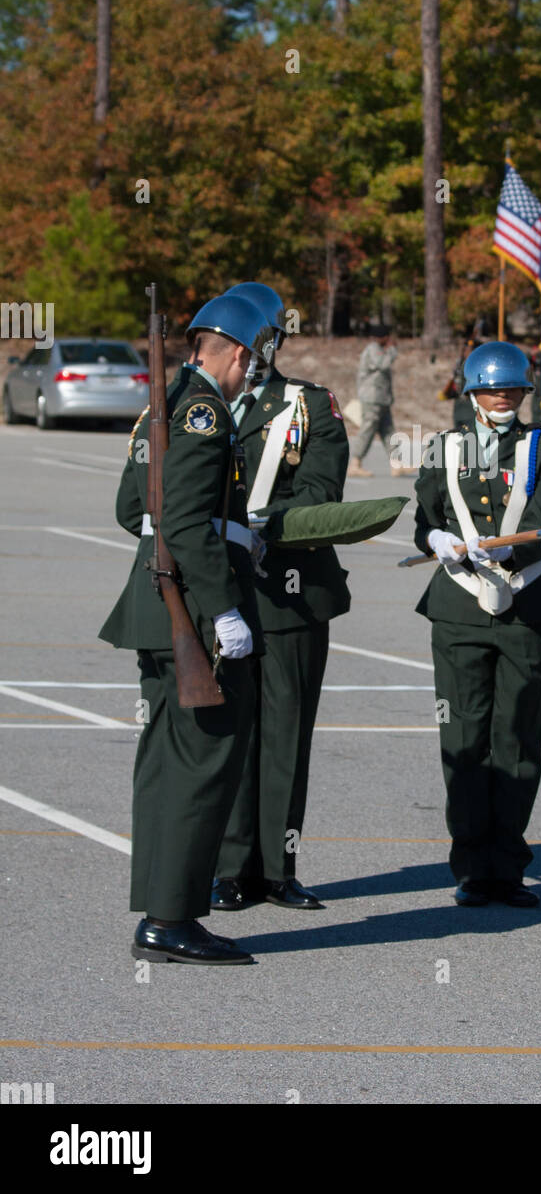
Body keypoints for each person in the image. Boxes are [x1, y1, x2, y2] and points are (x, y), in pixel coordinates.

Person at [99, 294, 276, 965]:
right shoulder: (204, 412)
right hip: (194, 614)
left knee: (167, 766)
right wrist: (223, 603)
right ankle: (171, 918)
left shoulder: (161, 407)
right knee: (201, 768)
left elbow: (132, 509)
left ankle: (161, 910)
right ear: (236, 351)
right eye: (252, 361)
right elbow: (182, 521)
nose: (250, 374)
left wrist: (230, 537)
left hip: (158, 602)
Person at [413, 341, 541, 907]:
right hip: (458, 605)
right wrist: (436, 540)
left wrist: (503, 554)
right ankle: (470, 865)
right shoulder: (442, 447)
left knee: (516, 735)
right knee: (463, 734)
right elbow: (425, 519)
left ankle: (506, 865)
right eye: (491, 389)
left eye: (513, 390)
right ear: (472, 394)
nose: (503, 398)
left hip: (527, 601)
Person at [210, 282, 351, 912]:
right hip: (220, 593)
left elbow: (322, 489)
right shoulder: (200, 405)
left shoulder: (309, 405)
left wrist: (262, 526)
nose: (255, 350)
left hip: (291, 594)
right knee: (230, 733)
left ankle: (277, 868)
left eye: (264, 339)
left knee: (287, 736)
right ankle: (233, 867)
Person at [348, 325, 412, 477]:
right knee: (367, 430)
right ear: (382, 337)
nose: (390, 340)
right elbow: (382, 364)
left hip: (381, 399)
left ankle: (397, 464)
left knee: (388, 431)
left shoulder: (379, 349)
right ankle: (355, 464)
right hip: (372, 398)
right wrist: (392, 350)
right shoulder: (373, 348)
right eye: (387, 337)